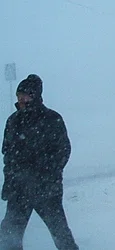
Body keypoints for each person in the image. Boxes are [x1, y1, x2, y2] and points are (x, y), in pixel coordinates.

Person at [0, 74, 79, 249]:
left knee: (61, 234)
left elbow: (63, 151)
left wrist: (45, 173)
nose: (21, 99)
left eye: (25, 95)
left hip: (46, 190)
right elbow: (8, 155)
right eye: (19, 96)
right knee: (9, 236)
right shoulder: (13, 121)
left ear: (35, 96)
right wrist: (9, 183)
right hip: (18, 190)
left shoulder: (52, 119)